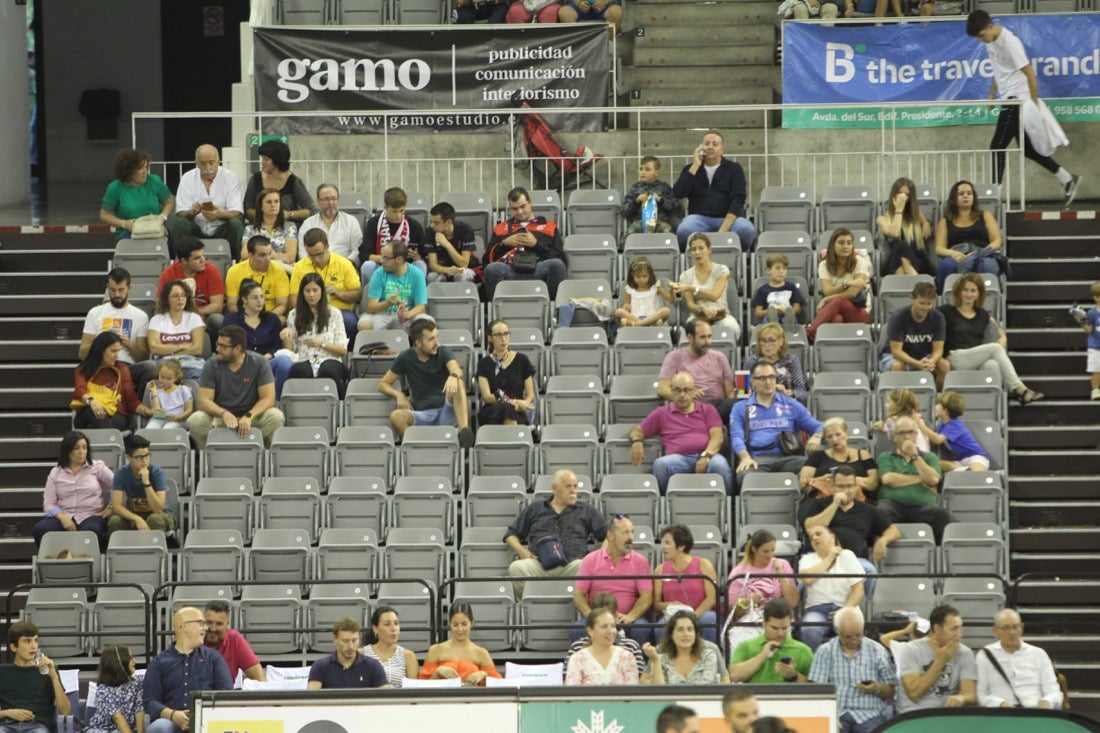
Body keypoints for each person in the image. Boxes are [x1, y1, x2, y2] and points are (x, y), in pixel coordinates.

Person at [966, 10, 1080, 204]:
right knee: (1027, 149)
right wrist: (992, 96)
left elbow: (1029, 72)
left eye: (981, 35)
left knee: (997, 146)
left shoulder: (1010, 42)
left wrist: (1034, 103)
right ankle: (1067, 179)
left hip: (1017, 100)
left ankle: (995, 194)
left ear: (990, 26)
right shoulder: (990, 42)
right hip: (1008, 98)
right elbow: (998, 71)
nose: (980, 40)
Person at [936, 272, 1043, 402]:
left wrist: (1003, 337)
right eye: (965, 290)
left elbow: (999, 333)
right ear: (959, 291)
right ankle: (1020, 389)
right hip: (956, 357)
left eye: (973, 291)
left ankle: (989, 403)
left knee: (993, 365)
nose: (969, 294)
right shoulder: (946, 311)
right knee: (995, 348)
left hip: (976, 359)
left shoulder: (983, 315)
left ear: (979, 294)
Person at [799, 466, 899, 600]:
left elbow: (893, 531)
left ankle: (864, 607)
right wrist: (834, 505)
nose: (846, 490)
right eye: (840, 486)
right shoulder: (817, 504)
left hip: (853, 560)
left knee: (870, 570)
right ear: (832, 487)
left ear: (856, 487)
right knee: (800, 583)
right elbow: (811, 528)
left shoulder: (867, 510)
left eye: (850, 486)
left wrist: (883, 541)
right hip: (818, 558)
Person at [504, 468, 606, 595]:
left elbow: (608, 535)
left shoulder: (586, 510)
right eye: (568, 486)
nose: (573, 491)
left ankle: (576, 606)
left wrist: (596, 556)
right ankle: (529, 605)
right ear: (554, 488)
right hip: (538, 564)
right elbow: (511, 535)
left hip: (571, 565)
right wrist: (523, 551)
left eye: (575, 486)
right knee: (516, 568)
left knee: (584, 566)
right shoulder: (535, 509)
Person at [628, 371, 732, 495]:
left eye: (687, 390)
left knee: (720, 465)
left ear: (693, 391)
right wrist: (637, 441)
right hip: (678, 459)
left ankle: (728, 507)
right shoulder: (661, 413)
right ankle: (666, 506)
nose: (682, 395)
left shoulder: (708, 410)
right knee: (660, 464)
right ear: (671, 391)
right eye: (677, 390)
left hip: (708, 455)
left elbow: (717, 437)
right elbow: (637, 431)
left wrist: (706, 456)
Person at [377, 317, 474, 446]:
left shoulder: (443, 351)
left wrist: (454, 375)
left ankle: (464, 435)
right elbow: (382, 384)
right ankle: (413, 450)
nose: (436, 342)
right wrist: (399, 395)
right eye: (431, 339)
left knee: (458, 383)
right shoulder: (405, 357)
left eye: (436, 337)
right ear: (418, 343)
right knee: (396, 416)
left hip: (446, 409)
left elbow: (456, 368)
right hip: (423, 414)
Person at [187, 325, 285, 450]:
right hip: (221, 417)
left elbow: (268, 399)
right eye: (218, 344)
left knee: (276, 416)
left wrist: (249, 416)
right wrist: (224, 413)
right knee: (196, 420)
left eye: (223, 346)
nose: (217, 349)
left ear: (238, 348)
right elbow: (203, 401)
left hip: (251, 416)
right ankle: (212, 457)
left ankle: (261, 456)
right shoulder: (211, 364)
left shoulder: (259, 363)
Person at [730, 361, 824, 490]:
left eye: (771, 377)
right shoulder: (740, 407)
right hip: (758, 460)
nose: (768, 382)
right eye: (762, 378)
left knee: (814, 468)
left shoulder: (791, 404)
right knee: (745, 476)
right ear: (752, 381)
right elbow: (736, 436)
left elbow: (818, 427)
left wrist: (817, 436)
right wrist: (745, 457)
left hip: (788, 458)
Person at [144, 606, 233, 733]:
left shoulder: (213, 658)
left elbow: (226, 693)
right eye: (201, 623)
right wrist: (173, 715)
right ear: (184, 626)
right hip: (171, 721)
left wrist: (202, 714)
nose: (206, 628)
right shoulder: (159, 662)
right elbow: (150, 701)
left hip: (207, 719)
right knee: (159, 727)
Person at [808, 607, 896, 733]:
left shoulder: (877, 650)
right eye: (848, 637)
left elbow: (890, 691)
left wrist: (877, 688)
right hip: (837, 713)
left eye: (858, 635)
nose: (854, 640)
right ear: (838, 631)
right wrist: (828, 715)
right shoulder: (825, 651)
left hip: (870, 714)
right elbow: (818, 691)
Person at [572, 514, 653, 645]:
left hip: (627, 617)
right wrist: (590, 615)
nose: (631, 538)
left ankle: (639, 664)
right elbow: (579, 594)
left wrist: (631, 616)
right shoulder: (590, 560)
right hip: (597, 615)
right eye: (625, 533)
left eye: (632, 532)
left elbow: (647, 596)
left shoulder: (640, 562)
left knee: (641, 628)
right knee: (577, 630)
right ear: (611, 535)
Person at [673, 130, 756, 251]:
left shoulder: (734, 169)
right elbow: (678, 193)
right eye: (707, 143)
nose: (710, 147)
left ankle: (737, 258)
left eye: (715, 144)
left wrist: (723, 229)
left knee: (746, 229)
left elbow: (738, 199)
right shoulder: (690, 169)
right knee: (684, 230)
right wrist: (695, 166)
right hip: (699, 219)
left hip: (728, 218)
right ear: (701, 147)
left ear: (722, 149)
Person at [483, 187, 568, 301]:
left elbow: (561, 259)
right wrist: (504, 244)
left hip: (538, 269)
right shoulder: (500, 229)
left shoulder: (549, 227)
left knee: (557, 265)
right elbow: (486, 261)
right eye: (514, 209)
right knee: (491, 270)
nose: (520, 212)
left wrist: (536, 244)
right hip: (511, 270)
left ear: (530, 202)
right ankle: (496, 312)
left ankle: (552, 311)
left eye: (523, 207)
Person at [875, 416, 950, 543]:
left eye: (910, 432)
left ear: (916, 435)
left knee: (941, 514)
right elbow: (888, 479)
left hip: (922, 507)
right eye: (902, 433)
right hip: (892, 505)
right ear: (894, 437)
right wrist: (921, 478)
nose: (907, 436)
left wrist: (914, 455)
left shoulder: (929, 457)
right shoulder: (886, 457)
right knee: (880, 511)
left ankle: (936, 553)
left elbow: (933, 480)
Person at [33, 431, 114, 548]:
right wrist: (63, 518)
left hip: (91, 514)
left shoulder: (97, 467)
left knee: (91, 531)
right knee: (40, 529)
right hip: (64, 514)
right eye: (76, 448)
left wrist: (110, 508)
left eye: (84, 448)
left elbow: (117, 485)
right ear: (67, 451)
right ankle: (53, 561)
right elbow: (49, 503)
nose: (82, 452)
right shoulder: (56, 472)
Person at [725, 529, 800, 650]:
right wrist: (747, 601)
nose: (770, 555)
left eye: (773, 550)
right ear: (754, 549)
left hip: (779, 617)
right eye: (765, 551)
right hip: (750, 619)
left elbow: (793, 602)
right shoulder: (739, 572)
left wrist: (781, 576)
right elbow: (732, 611)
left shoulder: (782, 565)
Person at [895, 603, 977, 712]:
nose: (959, 634)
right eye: (954, 629)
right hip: (913, 714)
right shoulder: (912, 650)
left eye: (960, 628)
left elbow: (970, 695)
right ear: (937, 629)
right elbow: (914, 694)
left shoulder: (965, 653)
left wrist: (962, 698)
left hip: (944, 715)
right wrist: (940, 660)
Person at [280, 272, 349, 398]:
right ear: (302, 293)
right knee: (301, 371)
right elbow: (291, 350)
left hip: (330, 359)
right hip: (304, 359)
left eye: (315, 290)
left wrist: (321, 344)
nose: (311, 295)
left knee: (328, 370)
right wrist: (286, 338)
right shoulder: (294, 315)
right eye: (307, 291)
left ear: (322, 291)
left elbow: (342, 351)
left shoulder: (334, 313)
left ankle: (338, 406)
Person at [798, 525, 866, 651]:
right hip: (817, 609)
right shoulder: (807, 559)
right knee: (810, 628)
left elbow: (858, 588)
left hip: (846, 607)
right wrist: (830, 557)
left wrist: (845, 611)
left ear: (832, 536)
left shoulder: (847, 555)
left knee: (852, 627)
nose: (814, 538)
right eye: (811, 537)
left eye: (818, 534)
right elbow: (807, 578)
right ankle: (813, 666)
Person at [80, 268, 152, 388]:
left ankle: (135, 406)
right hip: (100, 365)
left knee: (151, 368)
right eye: (112, 290)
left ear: (129, 288)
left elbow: (143, 356)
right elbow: (82, 353)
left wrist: (127, 343)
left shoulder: (140, 316)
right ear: (108, 287)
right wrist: (102, 341)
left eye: (121, 290)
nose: (117, 294)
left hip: (127, 366)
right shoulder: (95, 312)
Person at [976, 608, 1062, 709]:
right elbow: (980, 695)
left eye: (1015, 627)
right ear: (995, 631)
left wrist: (1047, 701)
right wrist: (1000, 703)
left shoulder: (1039, 654)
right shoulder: (984, 655)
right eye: (1006, 628)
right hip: (1000, 714)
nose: (1012, 632)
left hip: (1035, 713)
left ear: (1021, 628)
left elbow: (1055, 692)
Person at [171, 144, 245, 259]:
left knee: (236, 224)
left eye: (211, 162)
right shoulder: (187, 178)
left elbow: (236, 211)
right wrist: (193, 212)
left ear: (218, 161)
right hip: (196, 228)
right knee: (180, 224)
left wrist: (219, 214)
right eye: (203, 163)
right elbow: (181, 212)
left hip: (221, 228)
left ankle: (235, 263)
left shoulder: (230, 177)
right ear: (197, 163)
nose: (207, 167)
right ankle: (180, 263)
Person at [222, 279, 292, 398]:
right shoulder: (231, 320)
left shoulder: (272, 319)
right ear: (244, 299)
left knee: (285, 361)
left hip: (266, 361)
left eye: (262, 296)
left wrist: (265, 357)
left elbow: (276, 346)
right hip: (241, 362)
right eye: (255, 297)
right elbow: (226, 346)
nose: (260, 301)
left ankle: (277, 399)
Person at [933, 181, 1006, 293]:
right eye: (961, 194)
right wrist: (952, 253)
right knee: (946, 266)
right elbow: (939, 248)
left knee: (988, 265)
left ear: (973, 197)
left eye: (969, 193)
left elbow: (997, 241)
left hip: (982, 253)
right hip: (957, 256)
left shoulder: (985, 215)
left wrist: (980, 253)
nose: (966, 196)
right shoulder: (945, 221)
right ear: (954, 198)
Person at [657, 319, 735, 423]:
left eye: (709, 336)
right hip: (691, 405)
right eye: (702, 337)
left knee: (736, 405)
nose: (707, 342)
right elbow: (662, 389)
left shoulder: (720, 357)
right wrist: (687, 396)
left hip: (718, 406)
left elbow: (730, 393)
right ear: (690, 337)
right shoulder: (674, 357)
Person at [290, 229, 363, 340]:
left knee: (350, 322)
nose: (316, 259)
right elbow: (294, 300)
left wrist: (337, 292)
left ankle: (346, 353)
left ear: (327, 246)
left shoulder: (344, 264)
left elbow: (357, 294)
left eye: (320, 254)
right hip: (309, 311)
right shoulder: (299, 267)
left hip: (339, 310)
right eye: (311, 255)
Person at [652, 525, 719, 644]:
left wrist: (693, 617)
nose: (663, 548)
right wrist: (668, 605)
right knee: (660, 627)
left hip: (700, 614)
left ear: (681, 546)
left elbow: (711, 599)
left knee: (710, 619)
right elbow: (656, 604)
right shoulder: (660, 570)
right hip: (672, 616)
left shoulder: (703, 564)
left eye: (667, 543)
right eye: (663, 543)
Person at [0, 621, 71, 733]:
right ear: (14, 647)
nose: (33, 646)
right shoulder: (3, 672)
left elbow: (66, 711)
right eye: (27, 641)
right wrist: (7, 713)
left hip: (37, 726)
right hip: (7, 725)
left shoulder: (47, 671)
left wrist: (54, 677)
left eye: (36, 641)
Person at [72, 331, 149, 430]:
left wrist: (146, 410)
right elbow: (79, 390)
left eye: (118, 351)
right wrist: (93, 402)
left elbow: (131, 400)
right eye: (113, 351)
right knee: (90, 411)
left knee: (96, 424)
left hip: (115, 414)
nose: (117, 355)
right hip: (89, 412)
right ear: (101, 350)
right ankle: (115, 440)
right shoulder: (83, 369)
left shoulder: (122, 369)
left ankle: (107, 439)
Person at [671, 233, 742, 340]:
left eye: (701, 248)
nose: (697, 252)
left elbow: (714, 296)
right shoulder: (685, 276)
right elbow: (690, 304)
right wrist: (701, 308)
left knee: (732, 328)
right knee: (689, 331)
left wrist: (692, 288)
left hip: (721, 315)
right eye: (694, 249)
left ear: (709, 250)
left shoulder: (721, 270)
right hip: (698, 315)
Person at [806, 228, 872, 343]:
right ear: (833, 245)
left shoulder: (860, 262)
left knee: (839, 301)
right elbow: (827, 290)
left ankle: (810, 333)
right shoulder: (824, 264)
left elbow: (853, 293)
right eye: (841, 242)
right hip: (834, 311)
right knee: (837, 319)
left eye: (849, 243)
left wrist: (827, 299)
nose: (846, 246)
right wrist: (847, 283)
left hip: (858, 312)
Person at [728, 598, 813, 684]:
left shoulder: (803, 650)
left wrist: (793, 676)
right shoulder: (746, 646)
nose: (780, 633)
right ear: (764, 623)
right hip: (756, 696)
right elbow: (734, 676)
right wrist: (762, 656)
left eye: (785, 628)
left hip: (790, 697)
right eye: (775, 628)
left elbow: (814, 686)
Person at [156, 237, 226, 339]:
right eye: (197, 258)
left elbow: (217, 305)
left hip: (204, 314)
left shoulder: (211, 271)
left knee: (217, 319)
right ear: (184, 261)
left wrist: (194, 313)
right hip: (176, 314)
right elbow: (160, 303)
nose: (203, 261)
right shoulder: (169, 273)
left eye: (203, 256)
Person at [99, 148, 174, 244]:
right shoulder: (115, 187)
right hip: (128, 232)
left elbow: (169, 201)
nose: (145, 171)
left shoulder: (154, 180)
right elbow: (105, 215)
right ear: (129, 172)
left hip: (155, 229)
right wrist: (124, 224)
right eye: (140, 168)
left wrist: (163, 216)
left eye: (146, 167)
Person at [360, 187, 430, 287]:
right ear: (385, 207)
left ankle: (413, 296)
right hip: (382, 267)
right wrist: (386, 259)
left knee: (420, 265)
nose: (399, 216)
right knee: (367, 266)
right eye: (394, 211)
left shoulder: (414, 226)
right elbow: (364, 254)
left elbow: (424, 257)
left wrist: (416, 256)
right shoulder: (374, 224)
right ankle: (377, 295)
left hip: (405, 268)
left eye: (402, 211)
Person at [107, 434, 176, 536]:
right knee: (115, 521)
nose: (144, 461)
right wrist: (137, 518)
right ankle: (121, 551)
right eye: (139, 457)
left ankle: (155, 550)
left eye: (147, 456)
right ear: (129, 458)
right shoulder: (121, 473)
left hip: (162, 515)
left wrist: (147, 483)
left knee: (154, 519)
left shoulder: (157, 472)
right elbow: (117, 506)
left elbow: (158, 509)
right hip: (134, 513)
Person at [798, 417, 879, 502]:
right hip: (824, 500)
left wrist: (849, 480)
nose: (834, 439)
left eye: (838, 434)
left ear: (847, 433)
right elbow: (802, 484)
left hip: (857, 500)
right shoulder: (817, 456)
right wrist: (822, 479)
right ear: (826, 439)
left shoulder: (863, 454)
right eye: (829, 436)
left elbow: (874, 483)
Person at [565, 592, 646, 678]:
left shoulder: (631, 647)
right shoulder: (577, 648)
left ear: (616, 617)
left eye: (611, 625)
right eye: (603, 626)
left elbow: (638, 681)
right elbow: (567, 680)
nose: (609, 631)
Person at [420, 603, 501, 686]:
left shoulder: (482, 653)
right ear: (449, 624)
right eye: (455, 625)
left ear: (471, 623)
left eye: (464, 624)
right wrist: (437, 672)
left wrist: (484, 674)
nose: (460, 629)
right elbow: (422, 686)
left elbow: (498, 684)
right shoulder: (435, 650)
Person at [356, 240, 428, 332]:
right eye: (382, 257)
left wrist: (408, 314)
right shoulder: (379, 273)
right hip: (382, 314)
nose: (382, 261)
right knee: (364, 325)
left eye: (386, 258)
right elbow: (370, 308)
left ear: (399, 259)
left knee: (427, 323)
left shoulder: (417, 274)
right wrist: (388, 303)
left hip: (409, 313)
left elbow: (421, 306)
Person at [476, 319, 537, 426]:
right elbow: (487, 397)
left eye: (506, 334)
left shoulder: (522, 360)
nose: (503, 338)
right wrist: (515, 403)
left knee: (510, 410)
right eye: (498, 335)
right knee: (508, 409)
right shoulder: (483, 364)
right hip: (493, 410)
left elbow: (530, 394)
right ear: (490, 338)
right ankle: (512, 441)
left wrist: (524, 404)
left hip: (518, 410)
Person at [641, 610, 728, 684]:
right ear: (671, 634)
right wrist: (656, 661)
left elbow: (707, 688)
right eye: (680, 630)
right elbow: (658, 692)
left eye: (690, 629)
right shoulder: (660, 651)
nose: (686, 634)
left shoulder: (709, 652)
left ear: (696, 633)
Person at [242, 139, 315, 223]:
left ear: (277, 161)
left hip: (287, 226)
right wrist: (264, 216)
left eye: (266, 159)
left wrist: (288, 214)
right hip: (260, 225)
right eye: (262, 158)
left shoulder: (293, 181)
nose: (262, 162)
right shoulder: (255, 179)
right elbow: (247, 208)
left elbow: (311, 210)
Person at [879, 281, 945, 374]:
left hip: (925, 356)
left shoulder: (938, 317)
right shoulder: (898, 317)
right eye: (921, 303)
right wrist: (918, 364)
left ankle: (936, 388)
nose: (925, 307)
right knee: (898, 366)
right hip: (897, 356)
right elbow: (896, 351)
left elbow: (938, 350)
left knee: (944, 365)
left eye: (929, 304)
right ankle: (901, 389)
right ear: (912, 298)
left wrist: (931, 361)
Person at [148, 280, 206, 381]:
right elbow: (154, 348)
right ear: (167, 299)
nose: (180, 299)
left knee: (198, 378)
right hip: (164, 364)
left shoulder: (194, 318)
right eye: (175, 296)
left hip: (190, 363)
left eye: (183, 295)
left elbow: (197, 349)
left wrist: (167, 350)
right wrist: (182, 346)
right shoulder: (157, 320)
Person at [308, 617, 388, 689]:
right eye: (345, 641)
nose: (350, 646)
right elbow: (311, 697)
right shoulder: (320, 667)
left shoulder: (373, 666)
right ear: (335, 639)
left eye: (354, 640)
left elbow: (385, 697)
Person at [919, 391, 990, 472]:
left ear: (945, 410)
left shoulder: (955, 424)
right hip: (961, 461)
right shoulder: (942, 425)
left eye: (938, 405)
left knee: (975, 468)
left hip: (975, 457)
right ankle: (965, 471)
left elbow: (938, 439)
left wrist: (920, 425)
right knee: (937, 464)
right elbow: (933, 442)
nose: (935, 407)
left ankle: (974, 474)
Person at [225, 235, 291, 321]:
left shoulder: (279, 271)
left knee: (281, 319)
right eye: (262, 255)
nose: (268, 259)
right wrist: (250, 317)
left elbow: (282, 305)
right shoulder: (234, 271)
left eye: (269, 254)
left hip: (269, 316)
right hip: (244, 316)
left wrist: (264, 319)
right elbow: (232, 305)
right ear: (250, 255)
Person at [877, 177, 933, 277]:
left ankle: (905, 287)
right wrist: (899, 209)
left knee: (902, 259)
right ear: (893, 195)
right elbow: (893, 233)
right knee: (901, 246)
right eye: (900, 193)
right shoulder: (882, 219)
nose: (903, 197)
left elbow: (923, 220)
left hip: (918, 262)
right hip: (894, 263)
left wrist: (926, 223)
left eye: (907, 194)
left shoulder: (916, 214)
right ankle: (914, 283)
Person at [743, 323, 808, 405]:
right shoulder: (751, 361)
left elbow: (801, 391)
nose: (767, 344)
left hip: (785, 404)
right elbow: (743, 391)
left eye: (771, 340)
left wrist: (790, 393)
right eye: (763, 340)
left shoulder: (792, 360)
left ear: (781, 341)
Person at [203, 599, 265, 684]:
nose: (213, 628)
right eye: (209, 623)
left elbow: (260, 680)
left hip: (224, 695)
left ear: (227, 624)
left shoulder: (234, 639)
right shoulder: (192, 639)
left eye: (219, 624)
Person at [299, 184, 363, 265]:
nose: (331, 203)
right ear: (318, 201)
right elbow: (302, 253)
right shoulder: (308, 224)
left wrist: (344, 265)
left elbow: (357, 250)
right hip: (315, 269)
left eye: (334, 198)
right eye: (326, 199)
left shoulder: (351, 221)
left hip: (344, 268)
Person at [84, 645, 143, 733]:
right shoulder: (103, 690)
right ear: (119, 663)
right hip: (102, 730)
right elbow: (117, 717)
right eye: (130, 658)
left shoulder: (138, 683)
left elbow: (139, 711)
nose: (135, 661)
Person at [242, 188, 299, 274]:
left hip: (282, 271)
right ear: (261, 206)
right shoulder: (250, 229)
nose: (273, 205)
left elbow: (290, 258)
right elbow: (245, 255)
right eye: (269, 202)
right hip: (256, 271)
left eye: (276, 201)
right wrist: (275, 255)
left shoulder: (290, 227)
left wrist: (261, 254)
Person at [622, 156, 682, 235]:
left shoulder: (664, 187)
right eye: (641, 169)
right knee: (630, 232)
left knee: (667, 231)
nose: (643, 172)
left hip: (659, 222)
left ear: (657, 173)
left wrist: (661, 200)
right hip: (639, 223)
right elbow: (624, 211)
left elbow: (676, 208)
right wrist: (636, 201)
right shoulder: (635, 188)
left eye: (647, 169)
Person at [361, 606, 419, 687]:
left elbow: (414, 691)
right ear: (375, 629)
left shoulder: (408, 656)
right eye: (387, 624)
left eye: (396, 623)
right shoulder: (362, 653)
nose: (393, 628)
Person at [426, 202, 479, 283]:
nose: (432, 225)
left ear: (448, 222)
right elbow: (433, 265)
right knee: (432, 277)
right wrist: (446, 270)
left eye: (436, 223)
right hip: (443, 268)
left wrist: (446, 244)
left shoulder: (466, 230)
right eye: (431, 221)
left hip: (464, 269)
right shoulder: (430, 232)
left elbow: (464, 263)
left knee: (461, 276)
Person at [615, 256, 675, 327]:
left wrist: (672, 290)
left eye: (644, 276)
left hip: (653, 318)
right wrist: (626, 307)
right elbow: (626, 307)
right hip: (636, 317)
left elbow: (672, 300)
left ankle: (638, 324)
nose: (641, 279)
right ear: (632, 276)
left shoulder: (656, 287)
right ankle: (645, 324)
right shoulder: (629, 289)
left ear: (650, 275)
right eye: (638, 277)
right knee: (618, 312)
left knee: (666, 310)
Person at [751, 253, 805, 331]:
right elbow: (758, 312)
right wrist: (770, 311)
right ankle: (773, 323)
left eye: (784, 269)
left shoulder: (791, 287)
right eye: (777, 268)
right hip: (770, 315)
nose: (781, 271)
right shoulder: (762, 290)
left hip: (786, 314)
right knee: (768, 318)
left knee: (789, 316)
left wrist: (786, 310)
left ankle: (789, 326)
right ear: (769, 270)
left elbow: (798, 309)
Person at [872, 387, 931, 455]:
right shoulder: (917, 416)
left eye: (888, 402)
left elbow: (894, 435)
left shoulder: (893, 421)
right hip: (924, 454)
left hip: (915, 455)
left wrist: (882, 426)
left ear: (898, 404)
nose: (885, 405)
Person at [143, 360, 194, 431]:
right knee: (150, 429)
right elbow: (156, 411)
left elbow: (189, 409)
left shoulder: (183, 390)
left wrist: (179, 418)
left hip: (178, 419)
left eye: (169, 378)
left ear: (175, 378)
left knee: (168, 429)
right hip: (160, 418)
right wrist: (154, 392)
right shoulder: (156, 392)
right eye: (162, 377)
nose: (164, 381)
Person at [1072, 280, 1100, 401]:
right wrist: (1080, 319)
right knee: (1096, 370)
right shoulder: (1092, 313)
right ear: (1096, 297)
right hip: (1095, 347)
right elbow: (1089, 329)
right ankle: (1095, 390)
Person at [558, 0, 623, 31]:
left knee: (616, 12)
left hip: (605, 6)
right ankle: (577, 44)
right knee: (564, 13)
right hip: (578, 6)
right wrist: (578, 2)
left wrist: (605, 1)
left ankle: (607, 44)